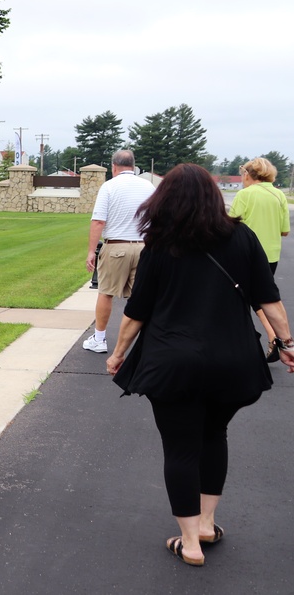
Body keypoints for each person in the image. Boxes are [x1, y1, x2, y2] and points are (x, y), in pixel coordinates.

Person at [106, 164, 294, 568]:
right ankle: (208, 523)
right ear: (214, 197)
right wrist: (287, 343)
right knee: (214, 435)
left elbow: (138, 312)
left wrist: (118, 353)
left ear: (165, 200)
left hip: (173, 362)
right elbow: (269, 299)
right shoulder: (242, 238)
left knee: (180, 448)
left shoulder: (159, 244)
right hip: (232, 360)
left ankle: (190, 542)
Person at [82, 150, 155, 353]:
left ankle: (99, 338)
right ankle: (146, 339)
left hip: (116, 245)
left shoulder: (109, 186)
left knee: (106, 292)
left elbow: (98, 221)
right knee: (141, 295)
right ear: (134, 166)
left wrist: (91, 252)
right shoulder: (148, 186)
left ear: (114, 166)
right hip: (143, 246)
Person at [229, 157, 291, 360]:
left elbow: (231, 227)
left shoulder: (244, 195)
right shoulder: (279, 195)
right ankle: (275, 338)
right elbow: (284, 230)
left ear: (247, 174)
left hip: (246, 254)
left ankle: (267, 338)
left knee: (242, 299)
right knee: (263, 297)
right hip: (271, 255)